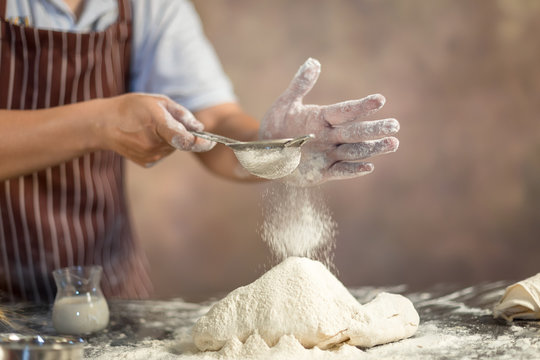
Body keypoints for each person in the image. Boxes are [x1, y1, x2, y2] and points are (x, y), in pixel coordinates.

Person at [0, 0, 400, 303]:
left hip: (102, 289)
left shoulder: (149, 6)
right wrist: (100, 122)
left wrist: (273, 145)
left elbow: (214, 122)